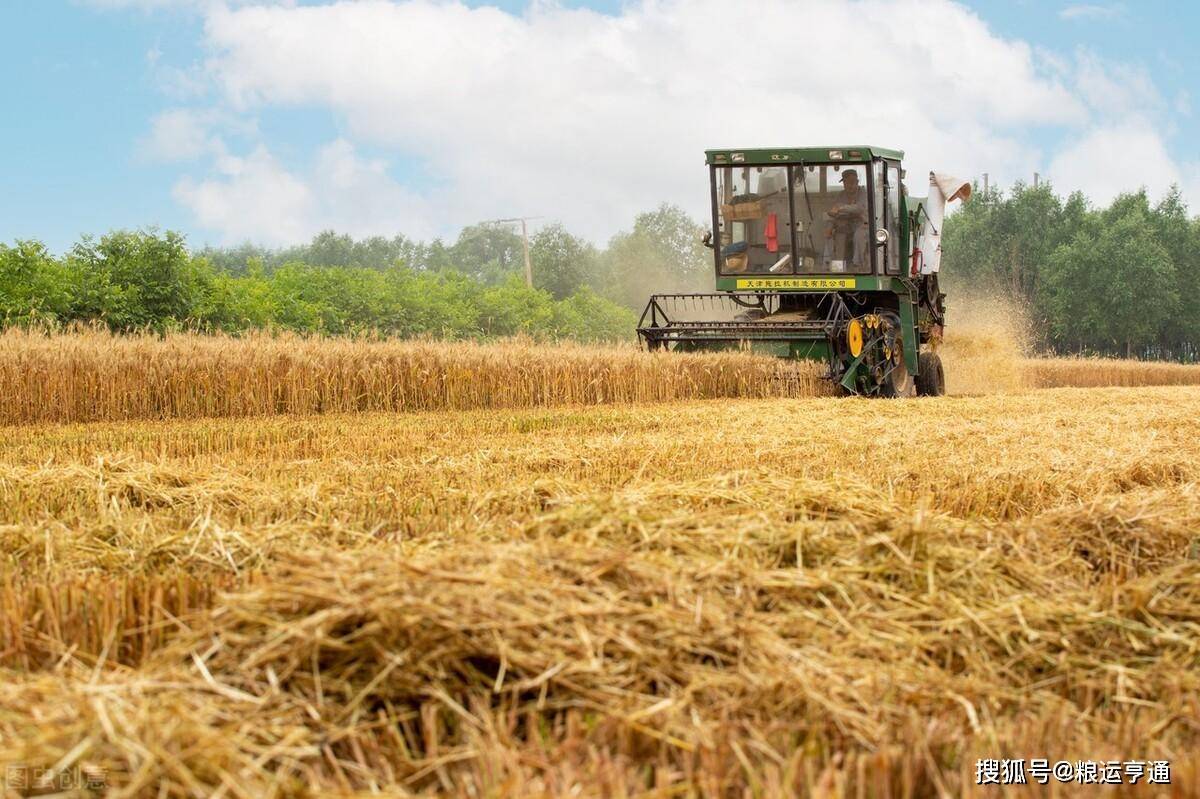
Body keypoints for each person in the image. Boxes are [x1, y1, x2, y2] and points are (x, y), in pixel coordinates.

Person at [823, 169, 868, 270]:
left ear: (857, 182)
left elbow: (859, 208)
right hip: (845, 225)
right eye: (846, 182)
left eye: (851, 182)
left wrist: (841, 208)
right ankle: (838, 267)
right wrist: (829, 228)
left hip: (862, 225)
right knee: (838, 236)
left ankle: (858, 265)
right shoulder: (841, 195)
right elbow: (833, 213)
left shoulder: (863, 193)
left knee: (858, 236)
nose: (849, 185)